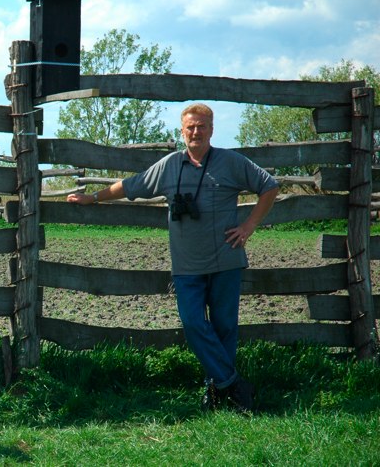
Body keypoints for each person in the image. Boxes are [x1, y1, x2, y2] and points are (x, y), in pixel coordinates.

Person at [67, 103, 278, 413]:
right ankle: (234, 385)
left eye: (202, 126)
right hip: (187, 266)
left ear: (212, 130)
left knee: (224, 329)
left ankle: (219, 392)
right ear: (182, 131)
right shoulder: (169, 166)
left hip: (226, 261)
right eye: (190, 127)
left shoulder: (230, 162)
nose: (196, 132)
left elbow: (269, 186)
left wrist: (249, 226)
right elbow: (132, 185)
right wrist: (93, 197)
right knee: (193, 324)